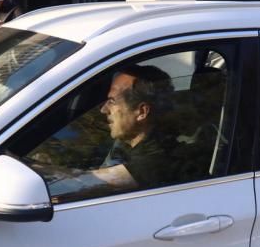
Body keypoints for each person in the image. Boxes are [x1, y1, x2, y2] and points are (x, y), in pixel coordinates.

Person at [35, 64, 177, 201]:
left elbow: (83, 183)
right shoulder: (123, 142)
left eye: (112, 101)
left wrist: (38, 170)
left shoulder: (154, 161)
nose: (103, 109)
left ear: (141, 112)